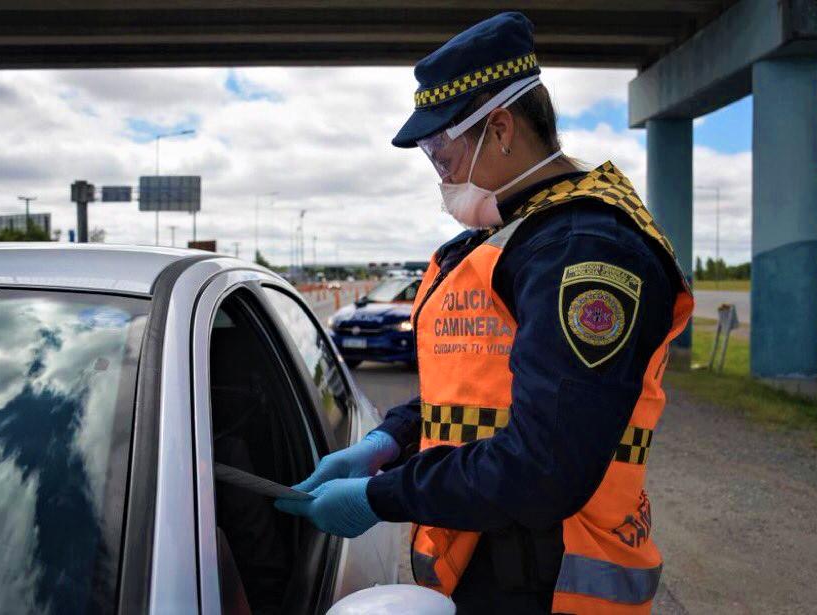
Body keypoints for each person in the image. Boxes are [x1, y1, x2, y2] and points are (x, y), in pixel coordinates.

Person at [275, 11, 694, 614]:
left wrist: (381, 496)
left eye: (440, 151)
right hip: (493, 569)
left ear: (500, 129)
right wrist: (392, 439)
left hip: (554, 587)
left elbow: (543, 464)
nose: (439, 173)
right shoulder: (516, 236)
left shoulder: (584, 250)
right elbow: (485, 387)